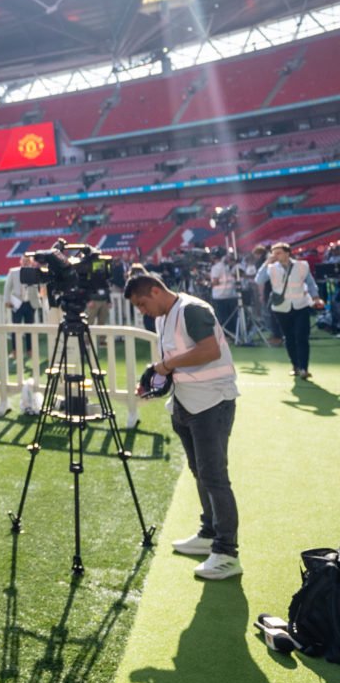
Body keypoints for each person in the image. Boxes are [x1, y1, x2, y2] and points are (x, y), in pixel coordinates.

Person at [127, 273, 242, 579]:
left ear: (155, 291)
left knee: (215, 476)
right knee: (201, 472)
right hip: (187, 403)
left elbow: (210, 351)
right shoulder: (164, 317)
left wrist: (164, 367)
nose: (142, 311)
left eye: (142, 304)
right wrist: (158, 380)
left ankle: (227, 552)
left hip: (212, 402)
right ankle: (209, 533)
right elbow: (177, 361)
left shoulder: (193, 309)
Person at [258, 242, 319, 380]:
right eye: (274, 253)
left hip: (301, 306)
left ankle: (304, 368)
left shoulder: (302, 266)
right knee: (289, 338)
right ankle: (295, 366)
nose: (276, 256)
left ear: (287, 253)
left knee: (302, 336)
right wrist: (267, 262)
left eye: (279, 252)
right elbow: (259, 279)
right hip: (281, 308)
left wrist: (315, 297)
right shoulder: (271, 267)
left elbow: (310, 283)